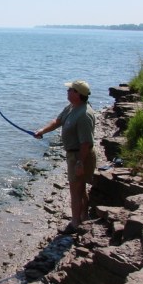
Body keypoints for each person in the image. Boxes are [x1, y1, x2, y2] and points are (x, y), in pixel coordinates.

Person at [34, 80, 97, 233]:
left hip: (81, 156)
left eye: (70, 90)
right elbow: (58, 121)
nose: (67, 91)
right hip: (73, 155)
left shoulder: (84, 115)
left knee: (75, 190)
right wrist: (42, 131)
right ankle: (84, 216)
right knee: (80, 189)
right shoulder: (71, 108)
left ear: (77, 94)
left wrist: (80, 163)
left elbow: (86, 143)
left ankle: (75, 223)